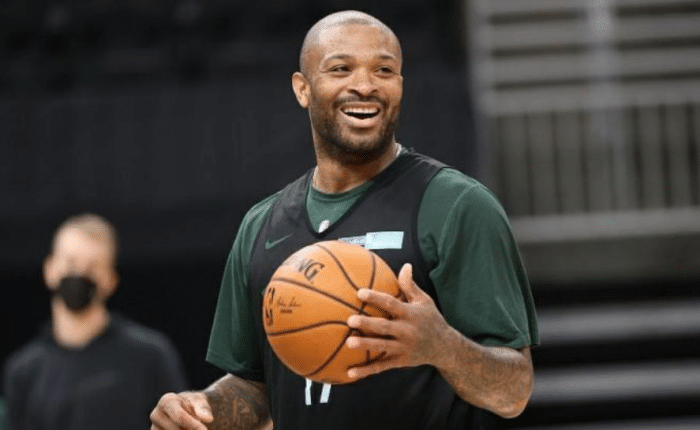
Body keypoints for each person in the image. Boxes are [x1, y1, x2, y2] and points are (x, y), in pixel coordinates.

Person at [150, 10, 538, 430]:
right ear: (303, 88)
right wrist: (199, 410)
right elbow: (255, 386)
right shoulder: (261, 225)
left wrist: (442, 347)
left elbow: (514, 391)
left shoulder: (456, 206)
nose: (365, 85)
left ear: (400, 85)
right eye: (341, 69)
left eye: (384, 70)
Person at [2, 213, 188, 430]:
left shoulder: (151, 356)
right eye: (70, 262)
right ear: (49, 270)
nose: (80, 274)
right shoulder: (24, 371)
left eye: (92, 267)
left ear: (110, 281)